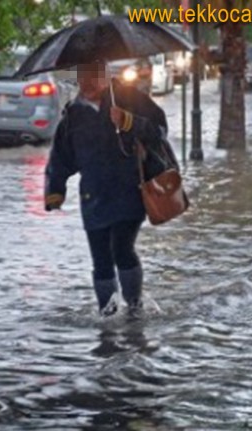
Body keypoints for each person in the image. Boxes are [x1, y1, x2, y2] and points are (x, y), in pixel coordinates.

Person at [44, 60, 172, 316]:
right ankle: (107, 313)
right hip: (93, 197)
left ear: (106, 74)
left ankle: (134, 307)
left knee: (122, 249)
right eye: (83, 75)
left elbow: (159, 131)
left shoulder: (129, 98)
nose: (88, 82)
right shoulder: (73, 114)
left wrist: (129, 121)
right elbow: (60, 156)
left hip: (130, 192)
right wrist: (54, 189)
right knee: (100, 258)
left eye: (94, 75)